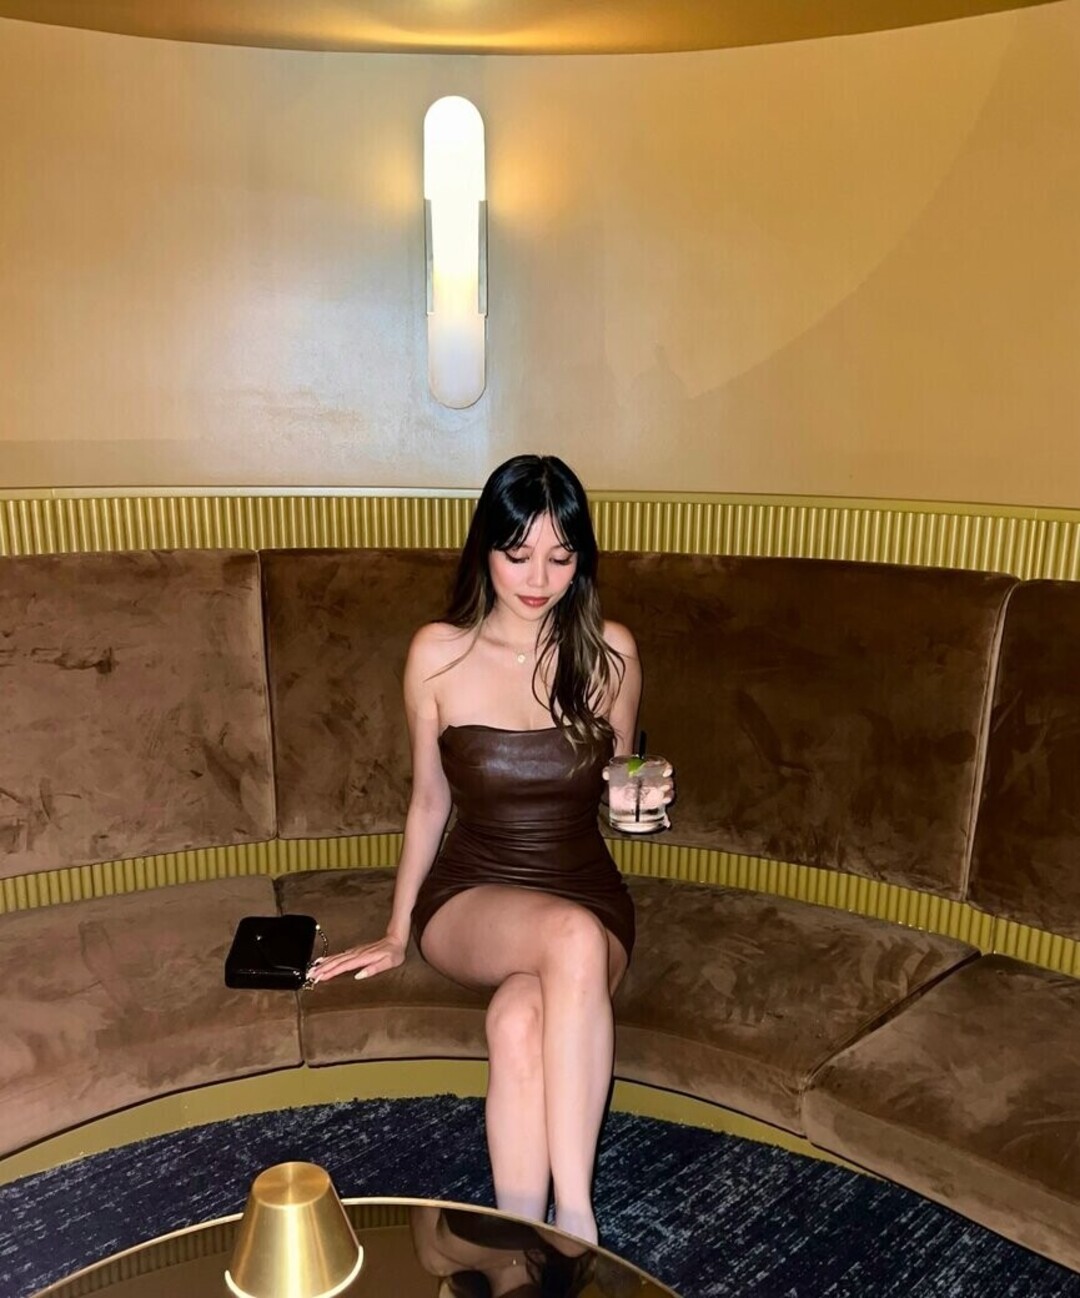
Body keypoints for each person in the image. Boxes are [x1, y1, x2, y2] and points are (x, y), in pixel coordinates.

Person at [309, 454, 670, 1245]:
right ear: (485, 550)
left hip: (587, 890)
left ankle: (518, 1236)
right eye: (518, 554)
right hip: (473, 895)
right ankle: (577, 1222)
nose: (539, 578)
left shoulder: (610, 652)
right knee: (567, 939)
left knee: (517, 1019)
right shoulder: (437, 654)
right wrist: (397, 930)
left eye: (561, 557)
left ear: (581, 561)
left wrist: (639, 799)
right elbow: (429, 801)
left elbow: (619, 791)